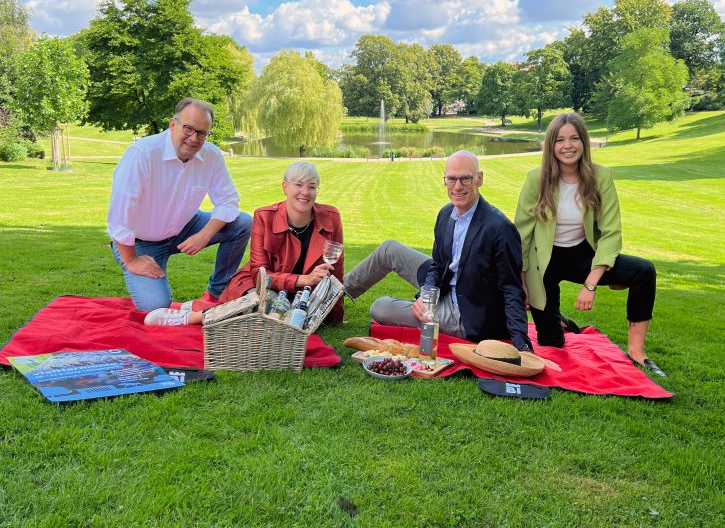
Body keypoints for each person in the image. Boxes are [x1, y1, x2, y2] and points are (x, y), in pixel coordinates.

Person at [514, 111, 665, 377]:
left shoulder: (601, 177)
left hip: (582, 256)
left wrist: (590, 283)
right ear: (551, 145)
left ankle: (637, 352)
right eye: (560, 140)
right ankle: (557, 321)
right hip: (543, 262)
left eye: (574, 138)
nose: (567, 145)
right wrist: (522, 281)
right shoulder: (535, 179)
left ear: (584, 142)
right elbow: (522, 235)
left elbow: (611, 232)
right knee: (551, 342)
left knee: (644, 271)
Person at [345, 150, 531, 351]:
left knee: (380, 307)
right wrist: (426, 296)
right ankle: (333, 297)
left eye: (465, 179)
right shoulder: (446, 214)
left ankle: (431, 311)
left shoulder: (499, 228)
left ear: (479, 179)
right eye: (451, 179)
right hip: (445, 286)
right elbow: (438, 265)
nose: (457, 187)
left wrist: (521, 345)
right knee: (389, 248)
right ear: (445, 180)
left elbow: (511, 288)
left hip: (466, 313)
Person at [145, 161, 344, 325]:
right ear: (285, 187)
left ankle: (198, 308)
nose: (305, 192)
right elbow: (259, 274)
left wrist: (335, 316)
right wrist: (304, 279)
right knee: (265, 307)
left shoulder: (331, 217)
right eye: (298, 184)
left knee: (293, 318)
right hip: (260, 286)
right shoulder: (264, 216)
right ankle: (190, 317)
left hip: (300, 295)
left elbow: (336, 270)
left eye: (312, 186)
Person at [108, 97, 253, 312]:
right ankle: (139, 268)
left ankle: (216, 294)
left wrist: (204, 235)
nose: (194, 139)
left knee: (243, 222)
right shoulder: (142, 154)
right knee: (156, 307)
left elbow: (228, 201)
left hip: (185, 227)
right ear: (172, 124)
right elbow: (120, 216)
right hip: (141, 242)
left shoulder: (211, 155)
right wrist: (131, 260)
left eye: (202, 133)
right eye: (188, 129)